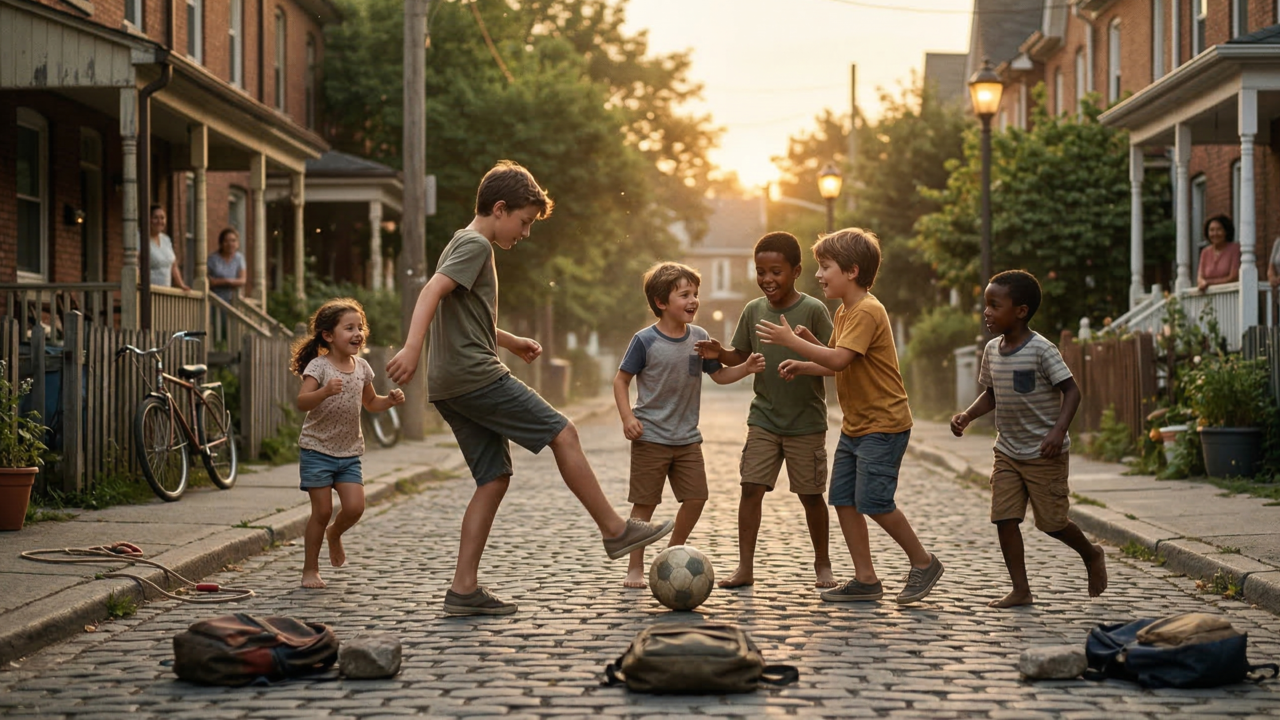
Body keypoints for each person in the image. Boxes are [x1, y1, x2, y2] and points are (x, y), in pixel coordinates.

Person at [386, 160, 674, 615]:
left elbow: (467, 317)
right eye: (524, 222)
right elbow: (431, 293)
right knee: (564, 432)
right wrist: (411, 347)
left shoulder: (462, 242)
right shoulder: (476, 244)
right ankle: (615, 530)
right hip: (475, 375)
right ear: (499, 209)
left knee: (493, 479)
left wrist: (510, 341)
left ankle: (463, 590)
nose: (525, 232)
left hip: (451, 384)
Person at [764, 228, 945, 605]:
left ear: (852, 271)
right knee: (844, 499)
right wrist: (804, 361)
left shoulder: (867, 310)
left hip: (884, 424)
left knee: (875, 501)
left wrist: (793, 343)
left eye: (825, 267)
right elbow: (836, 363)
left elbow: (840, 359)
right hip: (857, 426)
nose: (818, 274)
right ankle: (866, 579)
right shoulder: (845, 311)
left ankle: (924, 562)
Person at [950, 270, 1107, 607]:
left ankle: (1091, 553)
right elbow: (991, 394)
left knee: (1052, 523)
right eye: (986, 305)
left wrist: (1058, 431)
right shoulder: (991, 350)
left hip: (1044, 453)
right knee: (1004, 517)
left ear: (1020, 311)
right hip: (1007, 450)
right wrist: (968, 416)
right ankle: (1021, 589)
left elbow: (1072, 391)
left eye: (995, 305)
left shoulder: (1041, 350)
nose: (986, 312)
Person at [694, 232, 837, 590]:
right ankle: (745, 567)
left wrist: (802, 359)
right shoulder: (753, 310)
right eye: (760, 272)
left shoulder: (814, 310)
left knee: (811, 496)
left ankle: (823, 564)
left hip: (806, 421)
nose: (767, 279)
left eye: (776, 271)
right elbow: (739, 356)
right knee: (750, 488)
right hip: (764, 418)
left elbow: (835, 361)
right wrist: (719, 353)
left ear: (796, 271)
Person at [614, 262, 764, 588]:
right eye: (684, 295)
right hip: (650, 436)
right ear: (661, 302)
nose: (693, 300)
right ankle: (635, 567)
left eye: (695, 293)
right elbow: (621, 380)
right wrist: (628, 418)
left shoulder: (700, 338)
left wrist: (747, 368)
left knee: (696, 497)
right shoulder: (644, 341)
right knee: (644, 505)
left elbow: (719, 375)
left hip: (687, 439)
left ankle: (670, 554)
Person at [291, 298, 405, 589]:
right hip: (317, 449)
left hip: (349, 452)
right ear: (328, 335)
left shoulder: (362, 367)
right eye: (349, 328)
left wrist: (389, 401)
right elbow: (302, 402)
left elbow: (371, 403)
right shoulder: (319, 367)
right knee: (321, 512)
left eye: (360, 327)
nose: (358, 333)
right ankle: (310, 569)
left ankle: (335, 533)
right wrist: (324, 392)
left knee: (355, 508)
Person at [148, 205, 190, 290]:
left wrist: (181, 285)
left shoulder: (166, 239)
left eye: (162, 218)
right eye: (155, 218)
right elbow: (136, 266)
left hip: (165, 292)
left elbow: (173, 266)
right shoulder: (140, 238)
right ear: (148, 219)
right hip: (149, 292)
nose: (159, 221)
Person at [1197, 215, 1240, 292]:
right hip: (1209, 296)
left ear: (1226, 231)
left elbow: (1233, 277)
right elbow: (1200, 278)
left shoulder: (1235, 249)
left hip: (1230, 294)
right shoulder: (1205, 252)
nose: (1215, 233)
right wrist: (1202, 282)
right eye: (1211, 230)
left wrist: (1208, 283)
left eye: (1219, 229)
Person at [207, 228, 247, 303]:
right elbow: (208, 281)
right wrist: (233, 282)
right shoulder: (213, 259)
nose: (230, 244)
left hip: (233, 300)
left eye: (233, 241)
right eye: (226, 241)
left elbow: (242, 280)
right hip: (215, 299)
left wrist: (224, 281)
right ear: (221, 243)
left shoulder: (239, 258)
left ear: (237, 243)